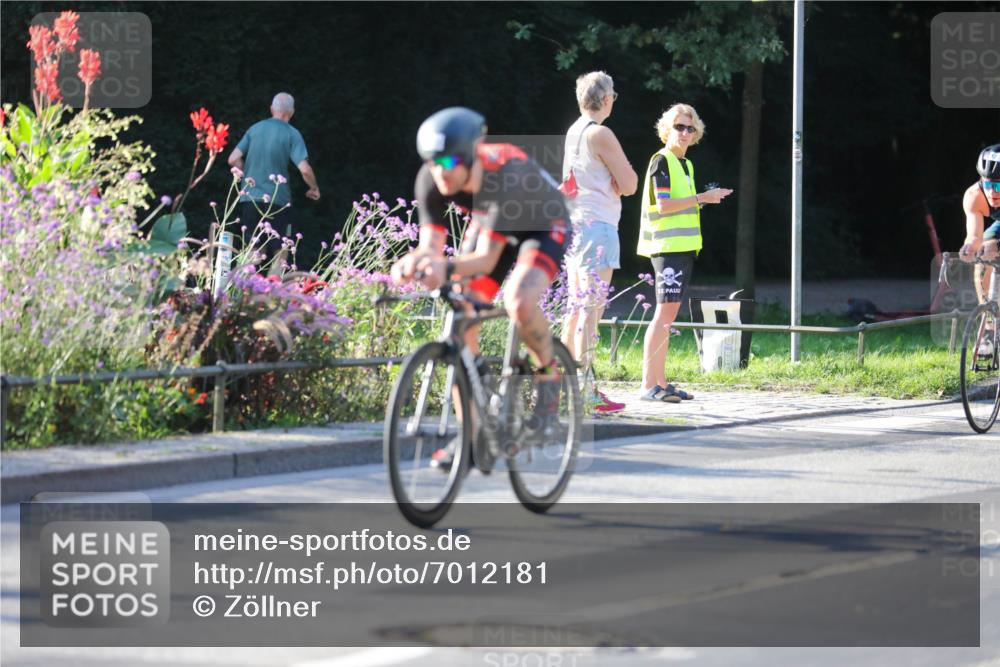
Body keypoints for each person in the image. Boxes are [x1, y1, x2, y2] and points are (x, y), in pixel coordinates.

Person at [390, 107, 570, 469]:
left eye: (451, 159)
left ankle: (549, 376)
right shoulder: (431, 179)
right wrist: (413, 262)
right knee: (462, 313)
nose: (441, 170)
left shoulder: (506, 174)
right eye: (432, 160)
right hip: (494, 224)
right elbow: (431, 247)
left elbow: (487, 261)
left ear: (472, 155)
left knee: (519, 299)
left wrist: (443, 266)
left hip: (542, 225)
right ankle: (472, 431)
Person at [637, 104, 732, 403]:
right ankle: (648, 386)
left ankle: (661, 383)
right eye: (679, 127)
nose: (685, 133)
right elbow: (664, 206)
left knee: (668, 317)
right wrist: (703, 197)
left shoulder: (685, 164)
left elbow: (681, 204)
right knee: (663, 316)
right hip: (667, 249)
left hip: (683, 250)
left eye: (690, 128)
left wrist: (702, 200)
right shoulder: (661, 161)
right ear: (667, 129)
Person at [560, 71, 637, 414]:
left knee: (575, 312)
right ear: (606, 100)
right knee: (591, 314)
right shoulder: (601, 133)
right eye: (613, 96)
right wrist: (621, 180)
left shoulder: (574, 131)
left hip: (577, 225)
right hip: (600, 227)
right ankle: (585, 389)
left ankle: (561, 385)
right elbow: (631, 183)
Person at [227, 92, 320, 262]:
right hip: (278, 201)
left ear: (272, 109)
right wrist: (314, 188)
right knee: (281, 253)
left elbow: (232, 159)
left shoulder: (254, 129)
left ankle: (246, 288)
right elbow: (305, 169)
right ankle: (275, 288)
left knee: (254, 251)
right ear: (291, 112)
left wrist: (248, 175)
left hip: (250, 199)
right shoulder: (292, 134)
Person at [959, 144, 1000, 305]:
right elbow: (975, 236)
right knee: (983, 254)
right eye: (988, 185)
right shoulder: (974, 196)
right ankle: (990, 321)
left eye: (998, 186)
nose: (992, 192)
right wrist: (968, 247)